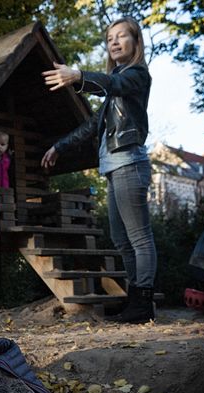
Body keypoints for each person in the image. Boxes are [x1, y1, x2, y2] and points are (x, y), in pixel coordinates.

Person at [40, 16, 157, 323]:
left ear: (135, 42)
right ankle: (135, 300)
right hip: (114, 168)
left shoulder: (136, 76)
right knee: (121, 239)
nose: (114, 42)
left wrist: (78, 75)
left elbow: (114, 84)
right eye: (109, 38)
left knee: (139, 238)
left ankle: (143, 301)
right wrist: (59, 146)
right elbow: (93, 125)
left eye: (122, 36)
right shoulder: (115, 85)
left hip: (130, 163)